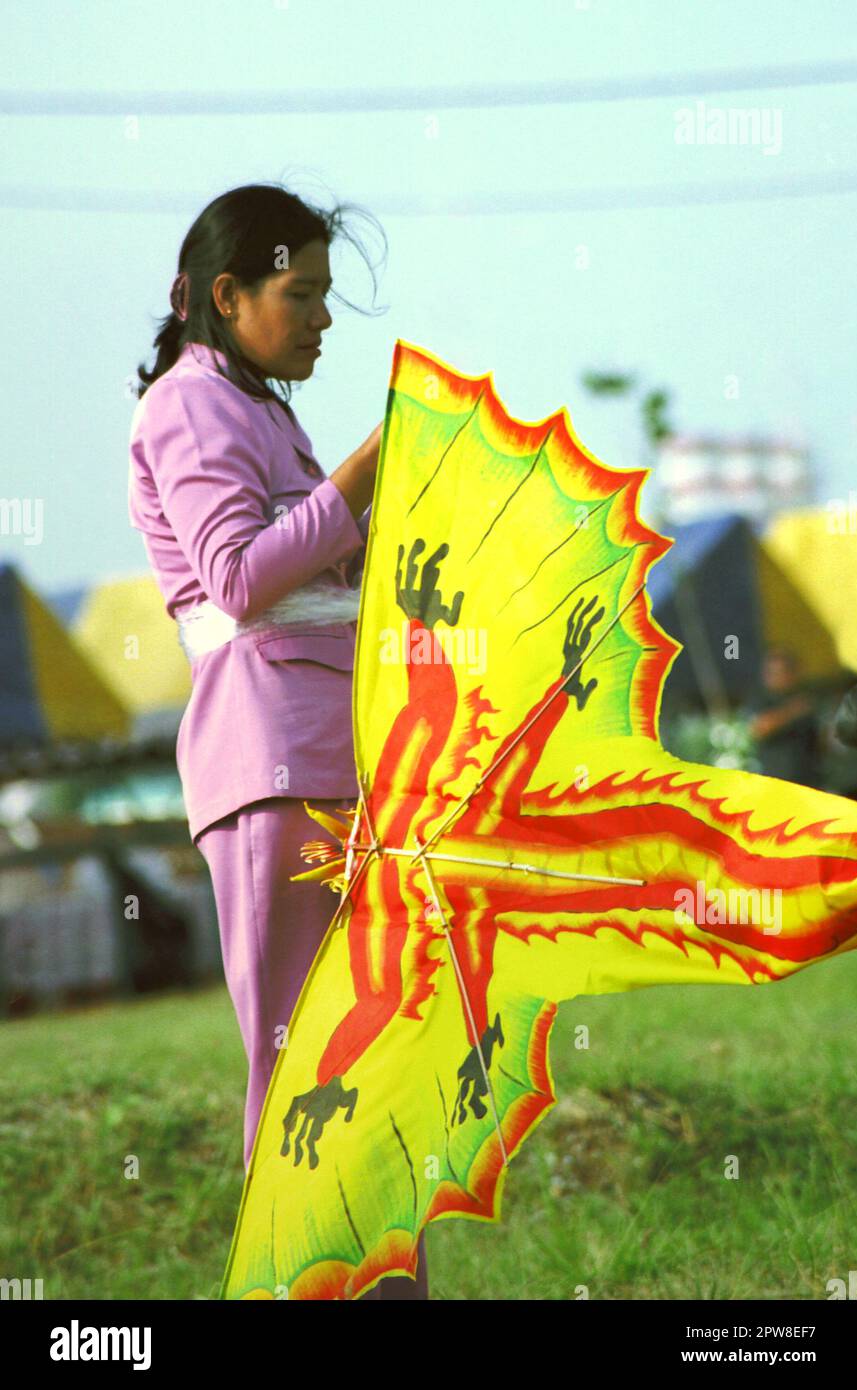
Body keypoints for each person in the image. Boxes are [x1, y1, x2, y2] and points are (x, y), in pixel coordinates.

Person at [128, 182, 428, 1300]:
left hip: (338, 761)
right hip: (271, 771)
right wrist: (358, 472)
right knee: (305, 1065)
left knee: (373, 1054)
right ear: (227, 295)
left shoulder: (259, 409)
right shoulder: (186, 407)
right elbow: (240, 577)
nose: (320, 319)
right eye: (298, 294)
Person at [746, 646, 822, 789]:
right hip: (776, 783)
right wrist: (793, 710)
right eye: (770, 672)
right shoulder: (761, 698)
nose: (773, 677)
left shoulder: (806, 695)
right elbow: (760, 728)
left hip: (808, 781)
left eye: (780, 672)